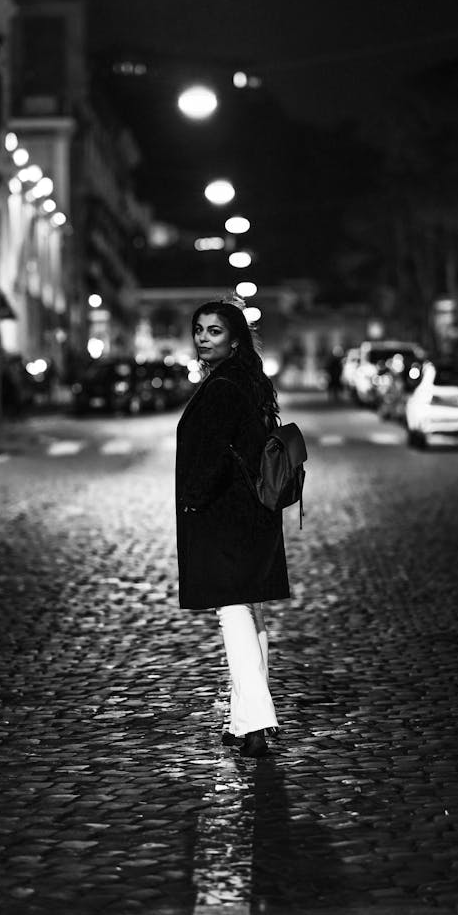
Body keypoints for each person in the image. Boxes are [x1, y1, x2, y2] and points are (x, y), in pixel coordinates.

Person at [175, 301, 290, 757]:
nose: (204, 338)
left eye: (215, 331)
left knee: (232, 611)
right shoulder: (249, 379)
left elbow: (213, 456)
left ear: (235, 338)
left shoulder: (224, 386)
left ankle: (258, 721)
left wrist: (193, 499)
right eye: (199, 330)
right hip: (256, 513)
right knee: (250, 610)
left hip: (227, 513)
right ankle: (243, 720)